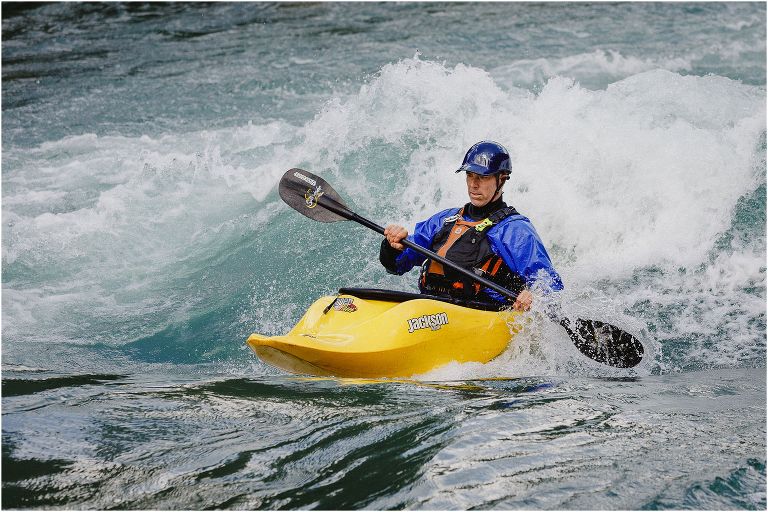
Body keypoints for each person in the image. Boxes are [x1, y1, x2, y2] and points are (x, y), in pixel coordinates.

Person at [379, 140, 563, 311]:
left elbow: (548, 282)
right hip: (430, 311)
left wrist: (535, 295)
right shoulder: (445, 219)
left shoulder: (515, 230)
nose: (474, 185)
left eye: (482, 177)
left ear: (502, 179)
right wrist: (393, 246)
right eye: (470, 175)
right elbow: (396, 267)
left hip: (480, 315)